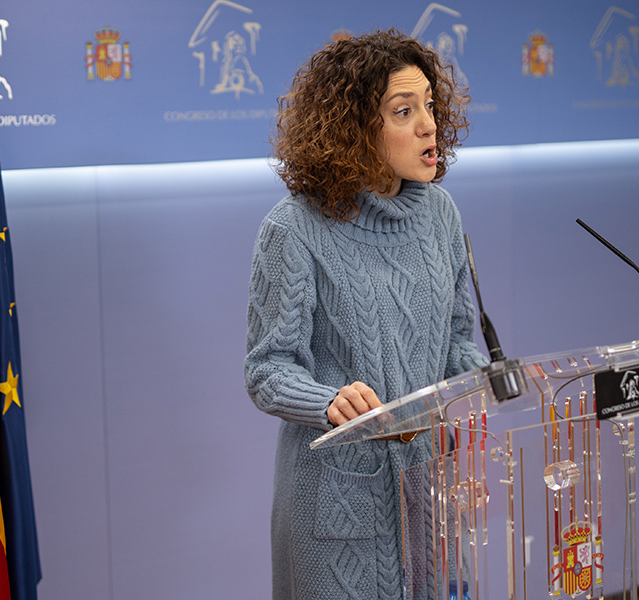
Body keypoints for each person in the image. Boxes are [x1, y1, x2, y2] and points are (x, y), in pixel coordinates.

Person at [244, 29, 487, 600]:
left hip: (432, 505)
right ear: (354, 129)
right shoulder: (293, 228)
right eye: (404, 111)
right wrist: (326, 401)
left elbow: (457, 340)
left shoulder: (441, 215)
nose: (428, 124)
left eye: (429, 104)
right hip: (338, 516)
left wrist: (483, 388)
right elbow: (267, 369)